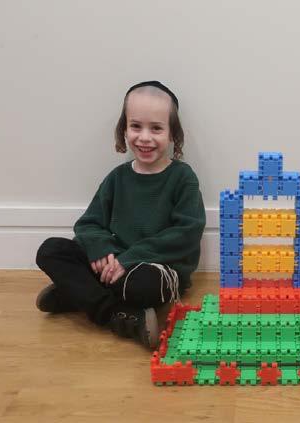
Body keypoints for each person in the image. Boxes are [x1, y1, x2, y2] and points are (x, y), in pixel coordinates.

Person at [35, 81, 206, 348]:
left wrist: (129, 259)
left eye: (156, 128)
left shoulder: (183, 178)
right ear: (123, 130)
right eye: (136, 126)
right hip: (114, 264)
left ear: (172, 134)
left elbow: (186, 233)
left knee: (144, 285)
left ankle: (78, 293)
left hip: (153, 267)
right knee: (50, 250)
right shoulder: (117, 178)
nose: (145, 137)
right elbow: (89, 224)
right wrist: (102, 249)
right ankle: (115, 314)